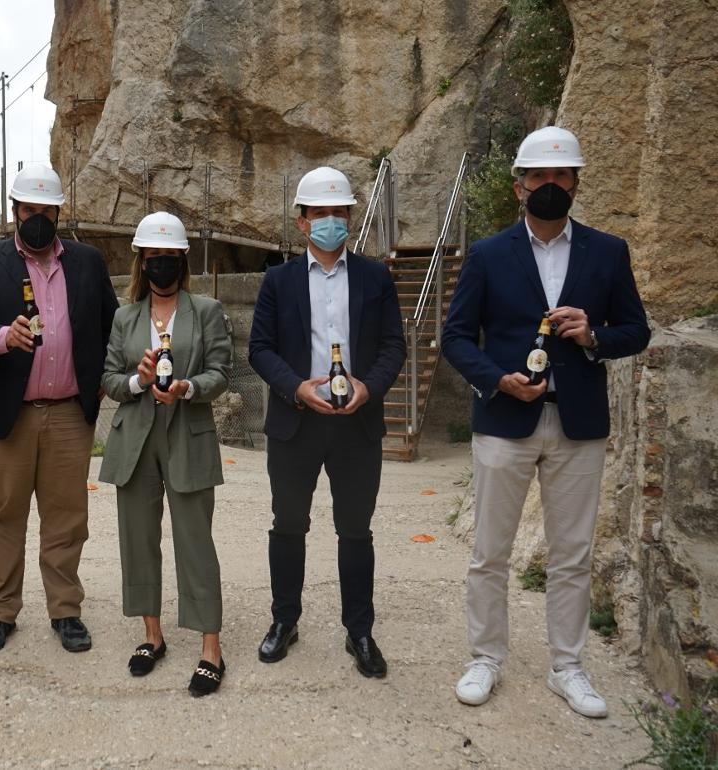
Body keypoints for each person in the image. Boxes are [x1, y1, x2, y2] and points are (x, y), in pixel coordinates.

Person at [442, 126, 649, 718]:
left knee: (572, 554)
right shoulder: (487, 254)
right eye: (539, 177)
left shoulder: (608, 252)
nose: (550, 185)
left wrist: (595, 336)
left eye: (561, 176)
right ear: (519, 187)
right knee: (489, 551)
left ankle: (568, 666)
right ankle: (485, 658)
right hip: (505, 420)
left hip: (578, 423)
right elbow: (456, 336)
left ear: (576, 183)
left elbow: (637, 330)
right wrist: (495, 378)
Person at [0, 163, 118, 653]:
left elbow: (112, 324)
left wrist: (105, 377)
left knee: (67, 517)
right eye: (29, 210)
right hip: (9, 412)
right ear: (15, 213)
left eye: (46, 210)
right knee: (5, 516)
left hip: (70, 410)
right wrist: (2, 337)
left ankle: (65, 609)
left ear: (58, 211)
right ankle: (0, 611)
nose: (38, 218)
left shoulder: (87, 262)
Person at [248, 166, 406, 678]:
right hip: (297, 421)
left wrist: (370, 387)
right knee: (288, 526)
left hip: (356, 422)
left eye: (339, 212)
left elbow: (392, 346)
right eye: (320, 213)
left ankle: (359, 629)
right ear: (301, 222)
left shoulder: (376, 277)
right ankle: (283, 621)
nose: (330, 221)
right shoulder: (279, 280)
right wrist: (295, 387)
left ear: (350, 218)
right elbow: (260, 349)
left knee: (355, 530)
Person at [100, 212, 232, 696]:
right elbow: (110, 379)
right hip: (135, 436)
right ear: (142, 261)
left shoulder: (207, 310)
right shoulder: (124, 317)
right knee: (138, 538)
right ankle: (151, 636)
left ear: (182, 261)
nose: (161, 266)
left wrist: (189, 387)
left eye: (170, 258)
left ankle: (210, 648)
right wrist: (138, 379)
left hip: (187, 431)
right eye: (153, 258)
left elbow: (221, 370)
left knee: (195, 540)